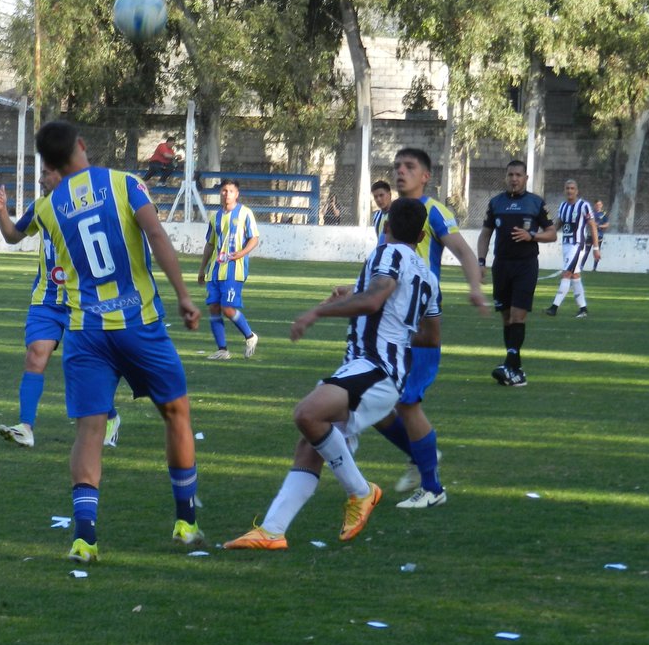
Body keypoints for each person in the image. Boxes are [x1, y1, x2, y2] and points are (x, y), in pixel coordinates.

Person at [28, 119, 203, 563]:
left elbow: (28, 239)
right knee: (176, 412)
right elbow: (156, 235)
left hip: (86, 332)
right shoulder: (124, 183)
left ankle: (84, 538)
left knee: (90, 431)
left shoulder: (48, 209)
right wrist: (184, 295)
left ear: (48, 163)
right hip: (138, 323)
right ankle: (185, 521)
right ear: (81, 145)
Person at [224, 198, 437, 550]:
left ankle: (361, 491)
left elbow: (374, 300)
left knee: (307, 414)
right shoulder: (428, 277)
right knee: (312, 444)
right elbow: (430, 335)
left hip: (375, 367)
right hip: (380, 371)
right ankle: (273, 530)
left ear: (386, 227)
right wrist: (377, 315)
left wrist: (317, 313)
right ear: (422, 235)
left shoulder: (388, 252)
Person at [373, 148, 487, 505]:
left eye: (409, 167)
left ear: (426, 176)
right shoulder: (388, 215)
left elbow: (464, 252)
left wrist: (475, 287)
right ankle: (420, 455)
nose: (400, 171)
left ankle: (433, 488)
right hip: (389, 325)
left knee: (407, 404)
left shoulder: (434, 212)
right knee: (373, 404)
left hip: (419, 321)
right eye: (397, 166)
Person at [0, 166, 120, 451]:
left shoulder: (88, 205)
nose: (39, 179)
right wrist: (2, 212)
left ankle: (110, 416)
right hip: (46, 300)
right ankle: (25, 428)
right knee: (35, 356)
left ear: (62, 174)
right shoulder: (40, 206)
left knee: (82, 369)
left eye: (45, 173)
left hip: (81, 301)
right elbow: (13, 236)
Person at [477, 159, 556, 387]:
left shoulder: (535, 203)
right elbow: (485, 234)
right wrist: (481, 261)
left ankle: (509, 364)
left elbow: (552, 234)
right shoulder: (496, 203)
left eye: (518, 175)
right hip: (501, 265)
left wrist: (532, 236)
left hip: (525, 265)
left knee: (517, 316)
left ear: (526, 178)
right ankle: (515, 369)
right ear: (506, 177)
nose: (514, 179)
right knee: (506, 317)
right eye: (510, 175)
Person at [197, 178, 260, 360]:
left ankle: (250, 336)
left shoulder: (245, 213)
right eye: (224, 190)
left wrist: (242, 253)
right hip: (215, 270)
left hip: (234, 269)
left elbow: (254, 238)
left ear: (237, 194)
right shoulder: (215, 217)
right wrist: (202, 269)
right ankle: (222, 350)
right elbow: (210, 244)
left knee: (227, 308)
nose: (227, 194)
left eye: (231, 191)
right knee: (214, 307)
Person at [543, 179, 600, 318]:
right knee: (575, 276)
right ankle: (583, 309)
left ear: (577, 191)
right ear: (564, 190)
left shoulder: (583, 205)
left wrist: (596, 248)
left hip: (577, 245)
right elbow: (559, 223)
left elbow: (592, 226)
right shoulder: (563, 206)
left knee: (566, 274)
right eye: (567, 188)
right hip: (566, 245)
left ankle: (554, 308)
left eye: (572, 188)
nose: (569, 191)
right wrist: (546, 233)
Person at [592, 200, 609, 271]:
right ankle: (581, 267)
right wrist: (592, 225)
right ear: (594, 205)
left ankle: (594, 268)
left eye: (599, 205)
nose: (598, 206)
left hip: (599, 235)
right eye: (597, 205)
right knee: (586, 251)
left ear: (602, 205)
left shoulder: (604, 214)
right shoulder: (591, 213)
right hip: (590, 235)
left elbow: (607, 224)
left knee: (597, 251)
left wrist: (599, 226)